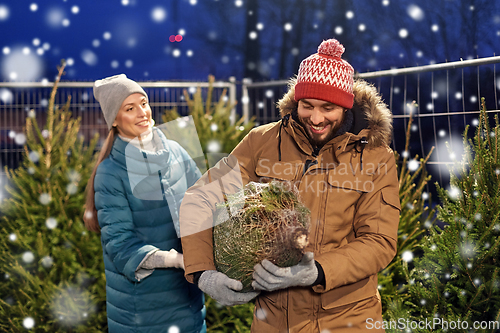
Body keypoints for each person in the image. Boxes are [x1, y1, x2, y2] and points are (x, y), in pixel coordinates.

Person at [180, 38, 400, 332]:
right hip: (272, 320)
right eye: (307, 105)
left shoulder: (375, 157)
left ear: (346, 108)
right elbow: (201, 198)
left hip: (346, 320)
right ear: (296, 101)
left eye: (328, 107)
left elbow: (379, 241)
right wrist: (203, 272)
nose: (316, 118)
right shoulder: (263, 142)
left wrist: (317, 272)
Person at [83, 74, 206, 333]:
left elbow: (205, 202)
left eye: (144, 103)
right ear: (114, 120)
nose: (142, 113)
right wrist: (176, 260)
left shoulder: (176, 151)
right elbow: (120, 246)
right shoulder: (111, 172)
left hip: (189, 300)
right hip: (143, 311)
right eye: (130, 108)